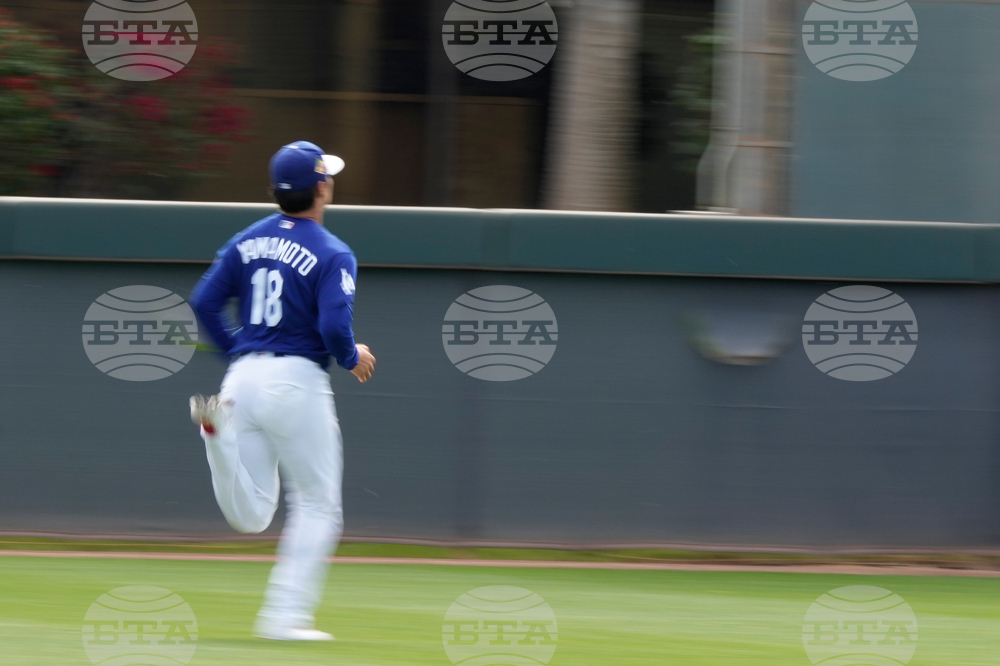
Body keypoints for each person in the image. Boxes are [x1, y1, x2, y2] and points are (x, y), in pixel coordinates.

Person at [188, 140, 376, 641]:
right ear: (321, 187)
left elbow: (203, 302)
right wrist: (353, 357)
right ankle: (284, 616)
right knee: (317, 506)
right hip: (296, 382)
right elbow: (336, 326)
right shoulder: (333, 251)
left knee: (251, 517)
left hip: (241, 381)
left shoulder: (246, 239)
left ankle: (216, 439)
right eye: (326, 177)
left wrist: (237, 355)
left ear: (275, 192)